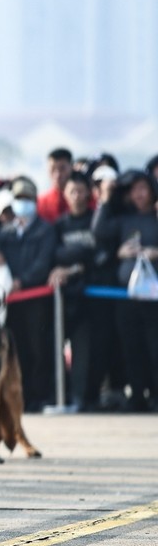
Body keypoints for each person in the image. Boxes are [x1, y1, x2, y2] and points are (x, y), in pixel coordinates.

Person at [92, 169, 158, 412]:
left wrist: (154, 253)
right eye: (134, 190)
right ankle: (138, 395)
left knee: (154, 346)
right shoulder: (124, 219)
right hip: (126, 296)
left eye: (143, 188)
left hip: (154, 298)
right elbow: (99, 231)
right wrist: (107, 198)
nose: (139, 194)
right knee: (131, 347)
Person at [0, 176, 57, 411]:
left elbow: (43, 263)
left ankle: (38, 394)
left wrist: (22, 281)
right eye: (19, 198)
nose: (23, 203)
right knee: (16, 348)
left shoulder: (45, 230)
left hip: (36, 299)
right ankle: (20, 395)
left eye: (27, 198)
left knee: (38, 349)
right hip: (12, 301)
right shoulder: (6, 233)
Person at [49, 170, 101, 411]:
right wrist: (76, 263)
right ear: (65, 195)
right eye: (72, 191)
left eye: (81, 191)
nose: (77, 196)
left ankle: (81, 398)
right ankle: (61, 395)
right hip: (62, 300)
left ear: (89, 193)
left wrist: (73, 267)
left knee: (85, 353)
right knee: (55, 350)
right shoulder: (59, 225)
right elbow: (54, 256)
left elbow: (97, 256)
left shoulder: (96, 220)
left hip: (90, 300)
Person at [37, 148, 74, 224]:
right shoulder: (41, 202)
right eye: (53, 169)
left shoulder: (83, 198)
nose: (57, 174)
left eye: (62, 168)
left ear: (71, 167)